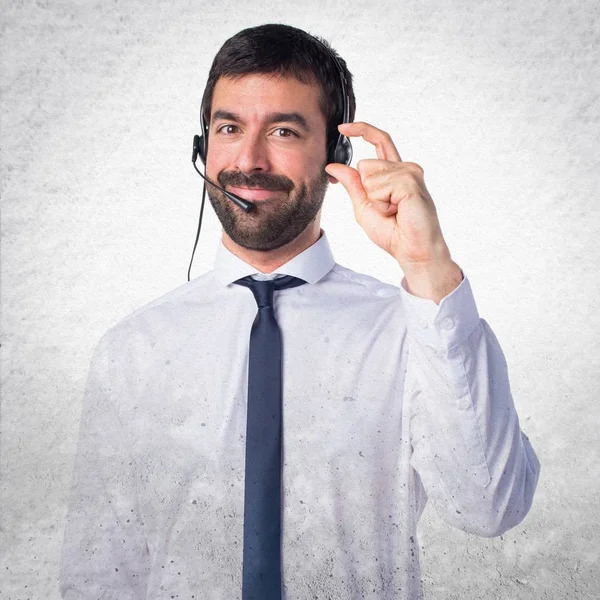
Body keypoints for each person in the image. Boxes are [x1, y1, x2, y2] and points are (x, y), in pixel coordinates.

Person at [60, 23, 540, 600]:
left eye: (284, 130)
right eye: (229, 127)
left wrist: (428, 266)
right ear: (202, 146)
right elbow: (99, 570)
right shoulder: (132, 349)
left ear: (337, 156)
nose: (250, 159)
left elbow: (490, 507)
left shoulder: (416, 333)